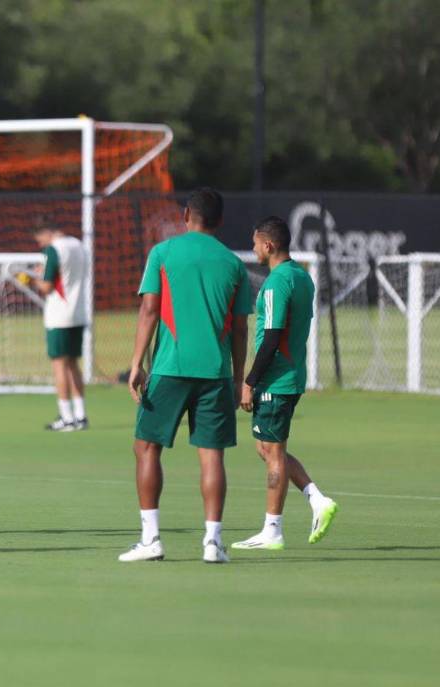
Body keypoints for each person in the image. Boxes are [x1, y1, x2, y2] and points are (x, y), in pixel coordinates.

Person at [120, 188, 251, 564]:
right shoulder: (233, 264)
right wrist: (237, 378)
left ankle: (151, 539)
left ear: (186, 215)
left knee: (146, 447)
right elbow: (240, 327)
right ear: (220, 220)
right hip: (215, 373)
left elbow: (149, 310)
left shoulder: (162, 253)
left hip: (169, 368)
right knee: (212, 456)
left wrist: (136, 363)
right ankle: (213, 543)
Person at [232, 216, 340, 550]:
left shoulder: (277, 283)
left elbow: (272, 337)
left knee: (274, 452)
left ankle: (272, 530)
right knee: (265, 448)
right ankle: (317, 499)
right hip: (289, 375)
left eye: (255, 243)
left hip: (276, 379)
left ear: (268, 245)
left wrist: (250, 381)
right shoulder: (302, 277)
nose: (253, 249)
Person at [17, 222, 90, 431]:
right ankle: (80, 415)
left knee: (59, 365)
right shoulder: (79, 245)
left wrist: (30, 280)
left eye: (40, 239)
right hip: (78, 311)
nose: (40, 244)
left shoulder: (54, 249)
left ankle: (66, 417)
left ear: (46, 232)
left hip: (59, 314)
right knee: (73, 364)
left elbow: (47, 286)